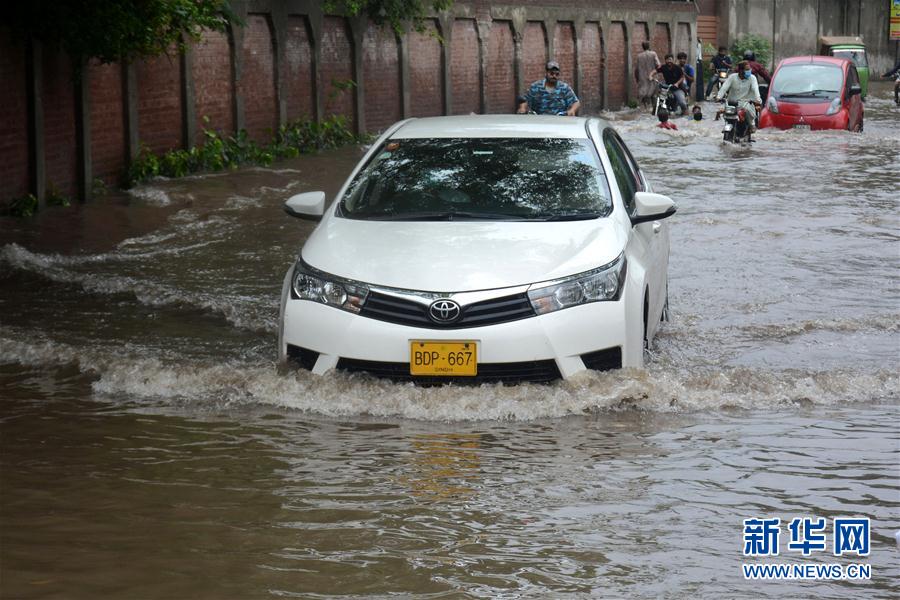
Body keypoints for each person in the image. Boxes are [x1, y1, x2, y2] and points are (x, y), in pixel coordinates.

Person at [716, 60, 762, 131]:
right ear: (740, 70)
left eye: (749, 69)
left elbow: (755, 89)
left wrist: (758, 100)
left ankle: (751, 124)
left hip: (746, 103)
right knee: (724, 113)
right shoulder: (732, 77)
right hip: (732, 103)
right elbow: (724, 87)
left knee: (748, 111)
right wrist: (719, 97)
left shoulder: (752, 78)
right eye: (747, 69)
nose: (749, 71)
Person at [635, 41, 661, 109]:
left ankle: (644, 108)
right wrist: (655, 72)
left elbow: (636, 69)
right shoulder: (653, 54)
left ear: (642, 47)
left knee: (643, 94)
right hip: (653, 78)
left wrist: (637, 78)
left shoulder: (639, 56)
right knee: (653, 94)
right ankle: (654, 109)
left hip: (642, 78)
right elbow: (658, 65)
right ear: (649, 46)